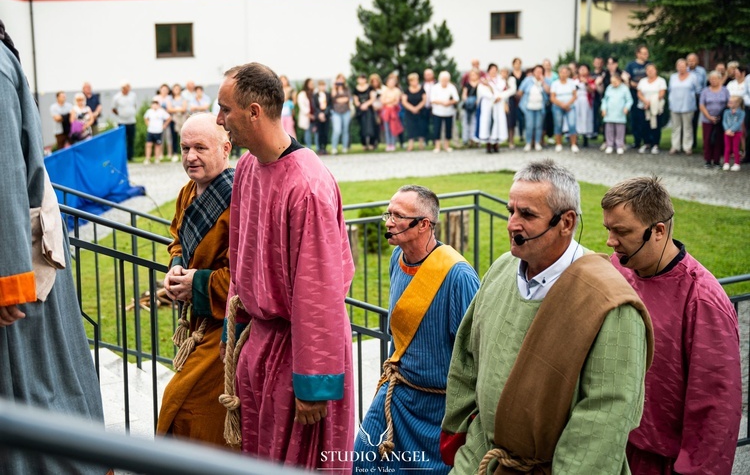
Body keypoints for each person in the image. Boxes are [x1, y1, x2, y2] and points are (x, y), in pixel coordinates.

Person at [441, 159, 652, 474]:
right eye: (511, 210)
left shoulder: (610, 303)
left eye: (526, 214)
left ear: (566, 222)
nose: (513, 223)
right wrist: (465, 439)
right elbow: (466, 359)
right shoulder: (501, 269)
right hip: (482, 457)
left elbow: (603, 421)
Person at [216, 62, 354, 470]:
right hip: (260, 348)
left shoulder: (307, 186)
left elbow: (320, 290)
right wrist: (235, 334)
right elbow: (239, 261)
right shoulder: (245, 168)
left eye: (225, 110)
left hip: (301, 356)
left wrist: (313, 383)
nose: (219, 120)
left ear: (254, 111)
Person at [0, 18, 106, 475]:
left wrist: (9, 279)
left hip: (17, 261)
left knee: (39, 388)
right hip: (15, 252)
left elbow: (5, 176)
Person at [601, 176, 741, 475]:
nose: (610, 241)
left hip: (662, 462)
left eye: (621, 231)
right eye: (608, 229)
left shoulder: (703, 301)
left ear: (658, 231)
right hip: (612, 449)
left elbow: (716, 413)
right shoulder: (617, 268)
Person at [353, 185, 480, 474]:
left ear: (424, 224)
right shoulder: (396, 260)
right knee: (361, 460)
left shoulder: (457, 275)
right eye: (389, 213)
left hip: (439, 408)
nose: (388, 222)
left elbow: (475, 351)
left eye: (398, 216)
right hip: (397, 395)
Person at [156, 113, 234, 446]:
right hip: (199, 322)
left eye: (200, 147)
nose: (190, 157)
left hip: (227, 330)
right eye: (186, 147)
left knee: (189, 407)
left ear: (226, 148)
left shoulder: (240, 198)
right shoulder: (188, 192)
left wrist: (197, 284)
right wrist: (176, 266)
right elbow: (176, 238)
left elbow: (247, 275)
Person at [699, 71, 730, 169]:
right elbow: (702, 105)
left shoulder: (725, 90)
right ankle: (708, 160)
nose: (713, 81)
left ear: (720, 79)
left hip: (721, 120)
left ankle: (717, 160)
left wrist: (722, 116)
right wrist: (709, 117)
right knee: (707, 139)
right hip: (707, 119)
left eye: (715, 79)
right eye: (711, 79)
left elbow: (728, 103)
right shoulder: (705, 91)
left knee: (718, 140)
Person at [668, 59, 699, 155]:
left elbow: (698, 90)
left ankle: (687, 147)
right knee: (675, 127)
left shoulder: (693, 77)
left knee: (687, 127)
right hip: (675, 106)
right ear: (676, 67)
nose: (681, 68)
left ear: (687, 67)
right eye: (679, 66)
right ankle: (675, 146)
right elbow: (670, 90)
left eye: (683, 66)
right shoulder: (673, 77)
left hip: (688, 106)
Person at [636, 64, 666, 154]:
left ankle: (655, 144)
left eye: (652, 70)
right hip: (644, 107)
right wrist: (646, 101)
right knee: (644, 126)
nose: (650, 71)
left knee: (655, 126)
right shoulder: (643, 81)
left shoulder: (661, 81)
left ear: (656, 70)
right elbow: (639, 93)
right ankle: (646, 143)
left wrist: (651, 102)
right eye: (648, 70)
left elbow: (661, 93)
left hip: (656, 107)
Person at [517, 64, 548, 152]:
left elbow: (548, 91)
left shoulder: (545, 81)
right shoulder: (528, 80)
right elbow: (520, 91)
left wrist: (543, 82)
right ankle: (528, 143)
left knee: (538, 125)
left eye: (540, 71)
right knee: (529, 125)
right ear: (533, 72)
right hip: (529, 107)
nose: (538, 73)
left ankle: (537, 143)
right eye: (537, 71)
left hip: (540, 107)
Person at [626, 45, 651, 150]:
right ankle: (637, 141)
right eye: (644, 53)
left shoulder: (649, 65)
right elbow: (627, 80)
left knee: (646, 119)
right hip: (634, 96)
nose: (646, 55)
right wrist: (635, 85)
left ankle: (648, 141)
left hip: (647, 96)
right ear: (638, 54)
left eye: (647, 53)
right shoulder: (631, 66)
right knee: (635, 119)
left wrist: (639, 85)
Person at [601, 73, 633, 155]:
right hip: (609, 113)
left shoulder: (624, 89)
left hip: (620, 114)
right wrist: (603, 109)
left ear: (619, 80)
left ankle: (619, 145)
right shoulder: (609, 88)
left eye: (615, 82)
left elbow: (629, 100)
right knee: (609, 130)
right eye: (612, 82)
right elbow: (605, 100)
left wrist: (627, 107)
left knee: (620, 131)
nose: (613, 83)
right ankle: (609, 145)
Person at [550, 65, 579, 152]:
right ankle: (558, 144)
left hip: (570, 106)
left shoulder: (571, 82)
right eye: (562, 72)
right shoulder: (555, 83)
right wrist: (562, 105)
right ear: (559, 73)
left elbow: (574, 95)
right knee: (558, 125)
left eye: (566, 72)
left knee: (572, 124)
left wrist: (567, 104)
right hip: (558, 106)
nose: (564, 74)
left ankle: (573, 144)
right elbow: (552, 97)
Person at [431, 71, 459, 153]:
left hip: (449, 112)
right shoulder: (435, 87)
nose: (445, 82)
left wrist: (449, 102)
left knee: (448, 129)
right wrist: (442, 102)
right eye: (443, 80)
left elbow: (456, 98)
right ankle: (437, 146)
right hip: (437, 112)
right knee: (437, 129)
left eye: (446, 80)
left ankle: (447, 146)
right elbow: (432, 99)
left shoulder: (451, 87)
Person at [112, 80, 138, 161]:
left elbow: (134, 105)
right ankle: (122, 157)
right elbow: (114, 108)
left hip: (131, 121)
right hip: (122, 122)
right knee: (122, 141)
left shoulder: (133, 95)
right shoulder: (117, 97)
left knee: (131, 140)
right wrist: (120, 114)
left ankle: (130, 156)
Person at [687, 53, 707, 150]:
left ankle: (694, 142)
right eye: (689, 60)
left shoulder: (701, 71)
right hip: (686, 98)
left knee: (695, 120)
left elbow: (704, 85)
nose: (691, 62)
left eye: (693, 60)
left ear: (697, 61)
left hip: (698, 97)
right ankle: (686, 142)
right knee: (687, 121)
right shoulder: (684, 70)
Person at [402, 72, 427, 151]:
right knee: (410, 128)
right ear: (410, 81)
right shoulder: (406, 90)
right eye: (413, 81)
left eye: (416, 80)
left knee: (421, 127)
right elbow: (404, 101)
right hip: (409, 112)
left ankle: (421, 144)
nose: (415, 82)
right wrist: (412, 108)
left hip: (421, 112)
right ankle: (411, 145)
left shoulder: (422, 89)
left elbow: (424, 100)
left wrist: (417, 108)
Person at [353, 74, 378, 151]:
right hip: (360, 111)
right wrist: (360, 106)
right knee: (362, 127)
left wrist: (366, 104)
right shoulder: (356, 89)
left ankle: (371, 143)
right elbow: (356, 100)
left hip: (369, 110)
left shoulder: (370, 88)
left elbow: (372, 98)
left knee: (371, 126)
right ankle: (363, 144)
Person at [143, 99, 171, 164]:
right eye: (153, 105)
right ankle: (147, 158)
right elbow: (145, 118)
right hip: (150, 130)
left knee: (157, 145)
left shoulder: (161, 111)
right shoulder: (149, 111)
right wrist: (148, 124)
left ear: (158, 105)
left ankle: (157, 158)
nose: (154, 106)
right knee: (148, 144)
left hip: (158, 131)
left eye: (156, 105)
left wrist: (164, 125)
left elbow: (169, 118)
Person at [381, 73, 403, 152]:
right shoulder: (384, 90)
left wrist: (388, 101)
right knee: (387, 129)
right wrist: (391, 100)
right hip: (386, 111)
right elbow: (382, 101)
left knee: (393, 128)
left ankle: (393, 144)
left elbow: (396, 102)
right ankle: (388, 144)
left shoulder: (397, 90)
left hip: (393, 111)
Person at [330, 73, 352, 154]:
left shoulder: (347, 89)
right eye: (339, 79)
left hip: (346, 111)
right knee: (337, 130)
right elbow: (333, 98)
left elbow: (348, 98)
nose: (340, 81)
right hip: (336, 112)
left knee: (345, 130)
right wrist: (335, 87)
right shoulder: (334, 89)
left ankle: (345, 147)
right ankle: (334, 147)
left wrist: (339, 100)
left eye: (342, 79)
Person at [167, 84, 189, 162]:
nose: (176, 90)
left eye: (178, 88)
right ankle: (175, 153)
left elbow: (184, 109)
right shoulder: (170, 99)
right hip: (174, 120)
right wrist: (178, 109)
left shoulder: (184, 98)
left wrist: (175, 109)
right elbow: (169, 109)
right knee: (174, 137)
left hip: (182, 119)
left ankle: (184, 153)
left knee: (183, 137)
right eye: (175, 88)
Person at [722, 96, 745, 171]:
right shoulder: (726, 112)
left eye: (731, 102)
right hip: (727, 133)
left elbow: (739, 123)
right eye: (729, 101)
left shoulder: (741, 113)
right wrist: (727, 130)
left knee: (735, 148)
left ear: (737, 103)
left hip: (737, 132)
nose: (729, 103)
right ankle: (726, 163)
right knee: (727, 148)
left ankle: (737, 164)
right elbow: (724, 122)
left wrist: (732, 130)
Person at [313, 79, 332, 154]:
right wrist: (320, 114)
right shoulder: (315, 95)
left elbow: (330, 105)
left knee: (326, 132)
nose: (322, 87)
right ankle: (320, 147)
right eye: (320, 85)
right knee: (320, 132)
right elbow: (315, 106)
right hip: (319, 116)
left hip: (326, 115)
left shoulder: (327, 94)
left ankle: (325, 147)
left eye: (323, 85)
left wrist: (324, 113)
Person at [296, 78, 315, 150]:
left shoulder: (315, 93)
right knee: (308, 132)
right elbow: (301, 105)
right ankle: (308, 147)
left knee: (316, 132)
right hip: (307, 116)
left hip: (315, 115)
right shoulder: (302, 94)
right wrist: (308, 114)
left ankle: (318, 148)